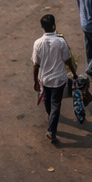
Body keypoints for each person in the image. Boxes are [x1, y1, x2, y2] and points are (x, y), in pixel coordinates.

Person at [31, 14, 76, 144]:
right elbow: (68, 60)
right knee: (56, 104)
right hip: (59, 79)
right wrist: (74, 74)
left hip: (44, 79)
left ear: (42, 27)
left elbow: (35, 65)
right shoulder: (61, 42)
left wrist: (35, 81)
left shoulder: (38, 43)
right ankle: (51, 129)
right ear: (54, 26)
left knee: (48, 102)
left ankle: (52, 121)